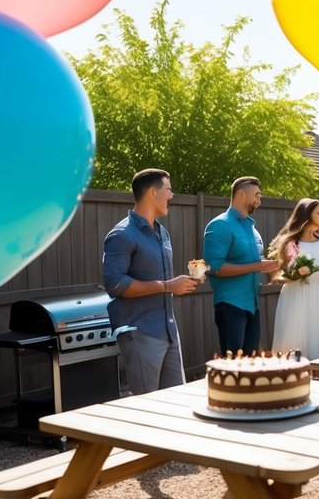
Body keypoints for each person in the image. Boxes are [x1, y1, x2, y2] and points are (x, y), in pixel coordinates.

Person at [102, 168, 200, 394]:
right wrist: (168, 286)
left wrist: (183, 282)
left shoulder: (162, 233)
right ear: (153, 193)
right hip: (140, 334)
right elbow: (115, 284)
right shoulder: (121, 235)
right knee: (147, 409)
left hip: (169, 332)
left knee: (176, 405)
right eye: (169, 189)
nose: (172, 195)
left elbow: (164, 279)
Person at [203, 176, 280, 355]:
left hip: (253, 305)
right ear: (241, 194)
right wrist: (256, 266)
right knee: (234, 367)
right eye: (257, 196)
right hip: (230, 305)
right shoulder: (220, 225)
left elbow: (256, 262)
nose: (259, 201)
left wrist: (275, 266)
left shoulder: (252, 229)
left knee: (251, 364)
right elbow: (214, 267)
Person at [270, 198, 319, 359]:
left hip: (316, 296)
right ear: (307, 215)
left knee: (316, 341)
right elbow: (277, 277)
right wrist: (296, 274)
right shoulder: (289, 242)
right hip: (294, 297)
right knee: (294, 343)